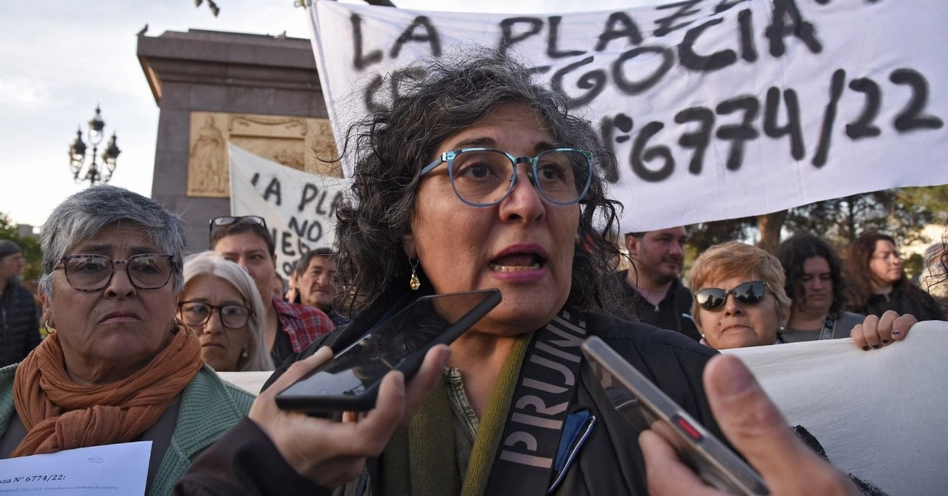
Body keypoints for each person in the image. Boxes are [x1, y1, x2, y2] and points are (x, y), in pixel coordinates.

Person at [176, 52, 861, 495]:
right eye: (478, 170)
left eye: (552, 172)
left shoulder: (674, 377)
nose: (528, 200)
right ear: (405, 226)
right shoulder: (312, 393)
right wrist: (262, 475)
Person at [0, 186, 254, 495]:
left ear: (174, 297)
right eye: (91, 266)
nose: (120, 286)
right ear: (47, 301)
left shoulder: (250, 429)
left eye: (146, 266)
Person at [690, 241, 916, 351]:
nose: (730, 307)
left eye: (751, 293)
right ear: (698, 321)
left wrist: (906, 347)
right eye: (712, 298)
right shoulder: (672, 385)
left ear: (782, 314)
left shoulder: (855, 348)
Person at [209, 216, 334, 366]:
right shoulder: (192, 327)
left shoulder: (313, 323)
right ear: (211, 266)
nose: (243, 269)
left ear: (274, 263)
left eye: (255, 257)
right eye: (229, 260)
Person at [179, 252, 274, 372]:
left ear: (250, 332)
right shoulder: (148, 389)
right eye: (198, 309)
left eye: (231, 311)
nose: (213, 327)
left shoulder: (273, 390)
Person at [774, 233, 865, 342]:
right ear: (786, 281)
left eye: (825, 277)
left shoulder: (860, 326)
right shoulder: (768, 333)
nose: (818, 286)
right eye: (806, 278)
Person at [620, 227, 700, 341]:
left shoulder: (697, 303)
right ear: (633, 245)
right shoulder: (598, 300)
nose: (677, 251)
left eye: (681, 241)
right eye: (665, 240)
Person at [844, 233, 944, 321]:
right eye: (885, 256)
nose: (895, 261)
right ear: (865, 261)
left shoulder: (918, 298)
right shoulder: (849, 304)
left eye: (895, 254)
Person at [0, 240, 40, 367]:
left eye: (21, 259)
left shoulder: (24, 297)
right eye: (15, 259)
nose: (20, 264)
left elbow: (33, 343)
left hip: (15, 379)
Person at [295, 248, 346, 326]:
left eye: (332, 276)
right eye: (316, 272)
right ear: (296, 279)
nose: (323, 282)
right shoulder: (276, 321)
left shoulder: (351, 329)